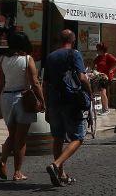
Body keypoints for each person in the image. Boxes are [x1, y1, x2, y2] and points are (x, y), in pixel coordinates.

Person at [0, 30, 43, 182]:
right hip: (23, 98)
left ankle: (3, 160)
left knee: (12, 135)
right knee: (21, 138)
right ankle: (17, 172)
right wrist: (42, 100)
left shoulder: (3, 60)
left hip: (7, 98)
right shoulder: (27, 59)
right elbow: (35, 82)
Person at [42, 29, 89, 187]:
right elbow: (82, 77)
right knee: (78, 137)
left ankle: (61, 174)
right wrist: (89, 91)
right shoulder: (74, 54)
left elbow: (45, 83)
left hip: (54, 101)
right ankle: (56, 165)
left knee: (58, 137)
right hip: (71, 101)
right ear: (73, 40)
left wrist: (47, 106)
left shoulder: (50, 56)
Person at [92, 43, 116, 115]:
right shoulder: (99, 57)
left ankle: (106, 109)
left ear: (102, 50)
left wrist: (111, 69)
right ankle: (103, 108)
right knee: (100, 92)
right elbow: (93, 64)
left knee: (103, 92)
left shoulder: (108, 56)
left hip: (106, 77)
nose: (97, 51)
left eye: (98, 49)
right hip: (100, 76)